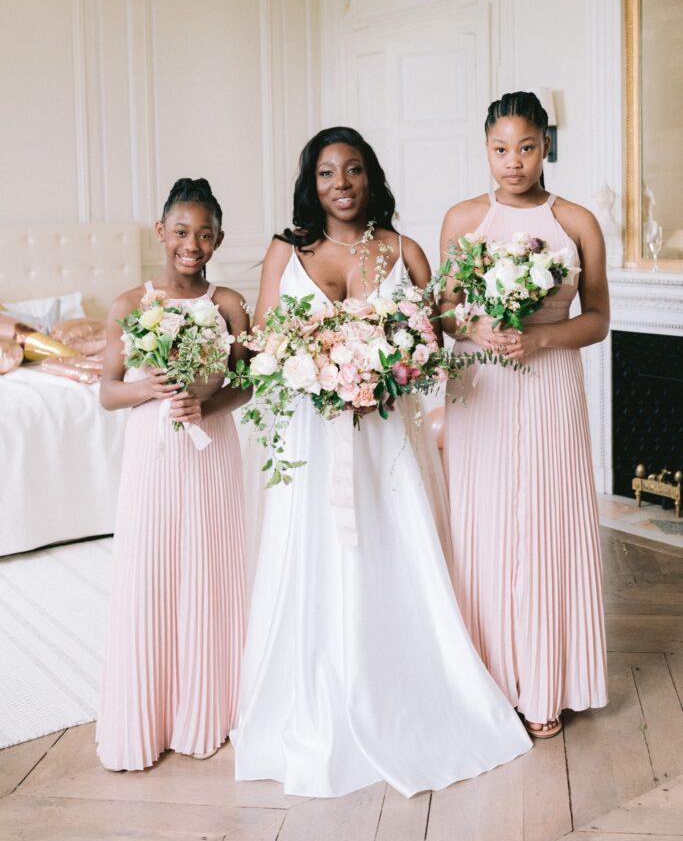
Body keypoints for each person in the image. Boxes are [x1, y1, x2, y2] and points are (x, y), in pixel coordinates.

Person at [231, 127, 532, 799]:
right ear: (310, 184)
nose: (340, 184)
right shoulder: (287, 250)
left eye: (353, 170)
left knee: (395, 547)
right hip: (311, 440)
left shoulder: (403, 250)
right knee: (313, 554)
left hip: (386, 437)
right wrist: (317, 364)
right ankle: (315, 699)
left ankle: (407, 693)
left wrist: (409, 354)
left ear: (371, 177)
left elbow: (439, 332)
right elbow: (266, 343)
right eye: (326, 173)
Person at [439, 91, 609, 740]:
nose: (513, 162)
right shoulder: (463, 218)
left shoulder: (577, 222)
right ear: (486, 149)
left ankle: (544, 683)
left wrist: (540, 337)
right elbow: (445, 310)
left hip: (550, 382)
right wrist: (475, 328)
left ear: (546, 146)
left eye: (526, 148)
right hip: (481, 384)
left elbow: (598, 319)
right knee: (481, 524)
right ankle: (483, 682)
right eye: (500, 149)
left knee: (545, 521)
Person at [97, 178, 249, 770]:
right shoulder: (129, 305)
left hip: (211, 448)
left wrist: (205, 407)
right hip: (152, 452)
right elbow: (108, 392)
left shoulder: (229, 303)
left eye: (205, 235)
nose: (192, 244)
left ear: (218, 240)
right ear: (161, 232)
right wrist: (150, 389)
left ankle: (207, 709)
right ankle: (148, 714)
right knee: (152, 570)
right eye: (182, 232)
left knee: (209, 566)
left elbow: (248, 383)